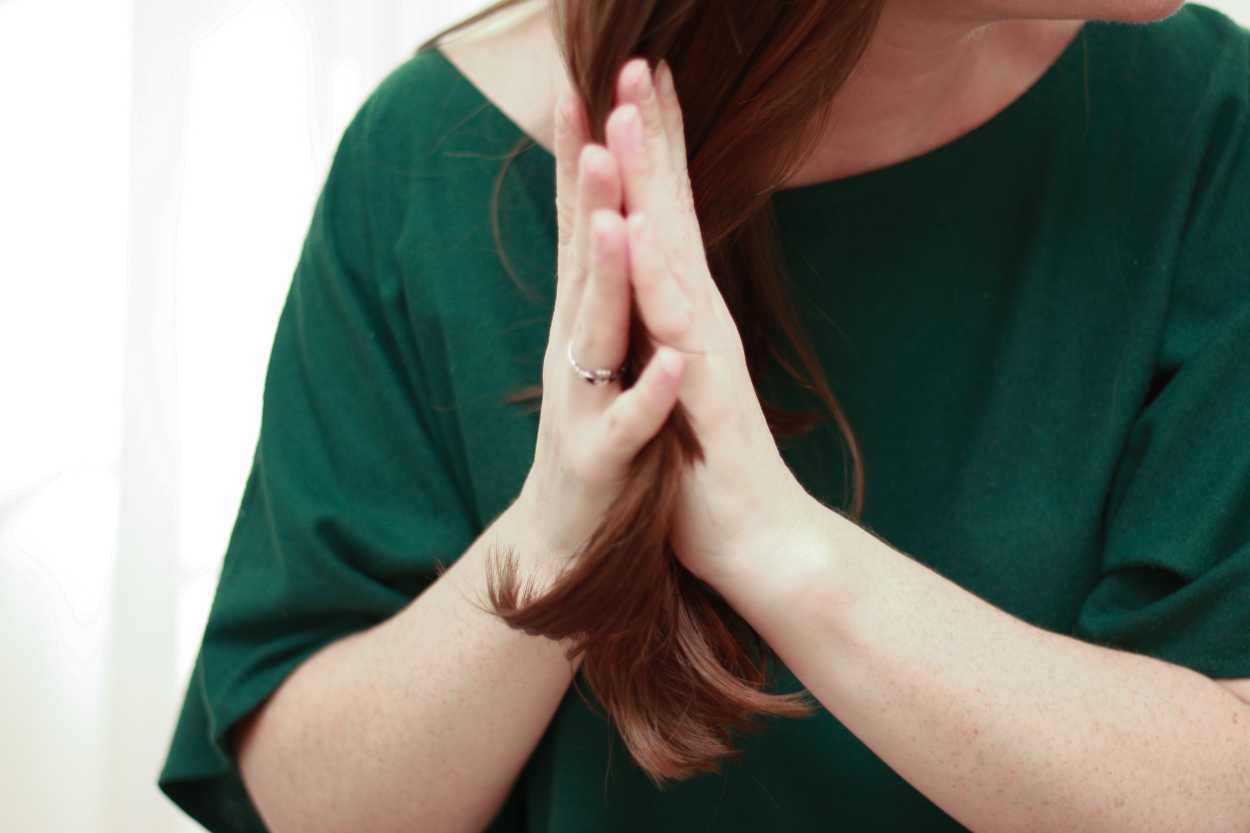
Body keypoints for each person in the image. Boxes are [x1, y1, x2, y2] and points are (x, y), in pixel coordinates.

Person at [157, 1, 1250, 831]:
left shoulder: (1202, 122)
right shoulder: (428, 160)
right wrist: (560, 529)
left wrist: (773, 539)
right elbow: (311, 796)